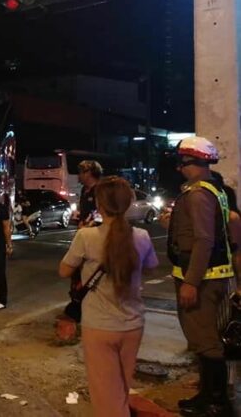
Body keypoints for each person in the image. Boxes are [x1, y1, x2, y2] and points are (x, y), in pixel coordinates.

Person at [58, 176, 159, 417]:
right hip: (133, 324)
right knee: (121, 387)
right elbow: (151, 266)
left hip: (99, 326)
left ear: (100, 206)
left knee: (106, 396)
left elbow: (64, 271)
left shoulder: (87, 236)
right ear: (128, 203)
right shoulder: (142, 236)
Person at [158, 136, 235, 416]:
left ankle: (216, 402)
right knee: (202, 339)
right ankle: (206, 396)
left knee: (206, 341)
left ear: (198, 163)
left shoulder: (199, 194)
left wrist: (191, 283)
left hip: (203, 279)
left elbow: (203, 240)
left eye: (183, 163)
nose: (180, 169)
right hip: (206, 276)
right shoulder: (211, 190)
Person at [76, 160, 103, 226]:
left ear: (88, 173)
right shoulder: (84, 189)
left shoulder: (100, 190)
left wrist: (92, 223)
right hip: (85, 229)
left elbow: (102, 213)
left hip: (96, 231)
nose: (79, 176)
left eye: (80, 172)